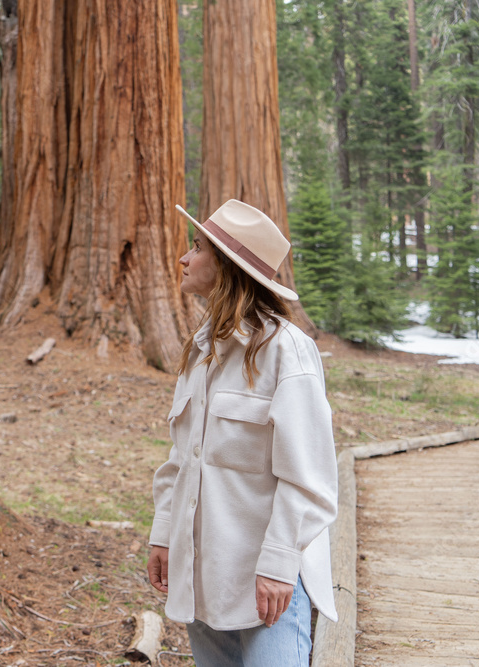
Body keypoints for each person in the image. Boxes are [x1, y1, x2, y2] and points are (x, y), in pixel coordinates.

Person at [147, 199, 338, 667]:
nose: (184, 259)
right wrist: (164, 534)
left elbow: (309, 479)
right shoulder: (201, 349)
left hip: (268, 590)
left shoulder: (287, 353)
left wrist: (277, 565)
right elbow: (182, 459)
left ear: (228, 267)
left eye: (197, 248)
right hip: (203, 578)